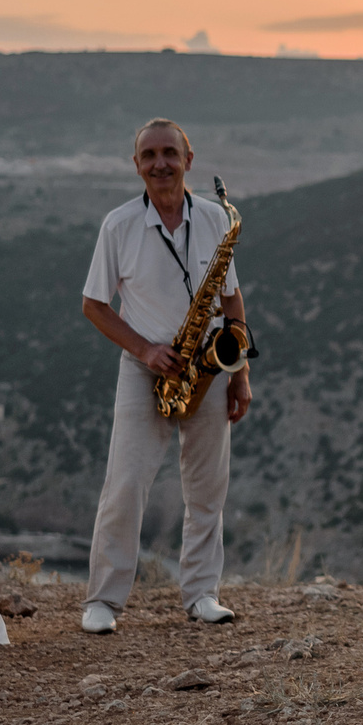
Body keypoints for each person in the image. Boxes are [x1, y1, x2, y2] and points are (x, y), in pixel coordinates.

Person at [78, 117, 252, 633]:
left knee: (207, 489)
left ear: (188, 160)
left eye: (170, 153)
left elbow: (231, 298)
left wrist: (238, 373)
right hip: (145, 366)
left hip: (208, 364)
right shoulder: (119, 225)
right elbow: (93, 305)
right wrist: (146, 350)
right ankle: (103, 602)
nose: (160, 163)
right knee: (126, 485)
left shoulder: (218, 221)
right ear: (136, 166)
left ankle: (201, 593)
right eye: (149, 155)